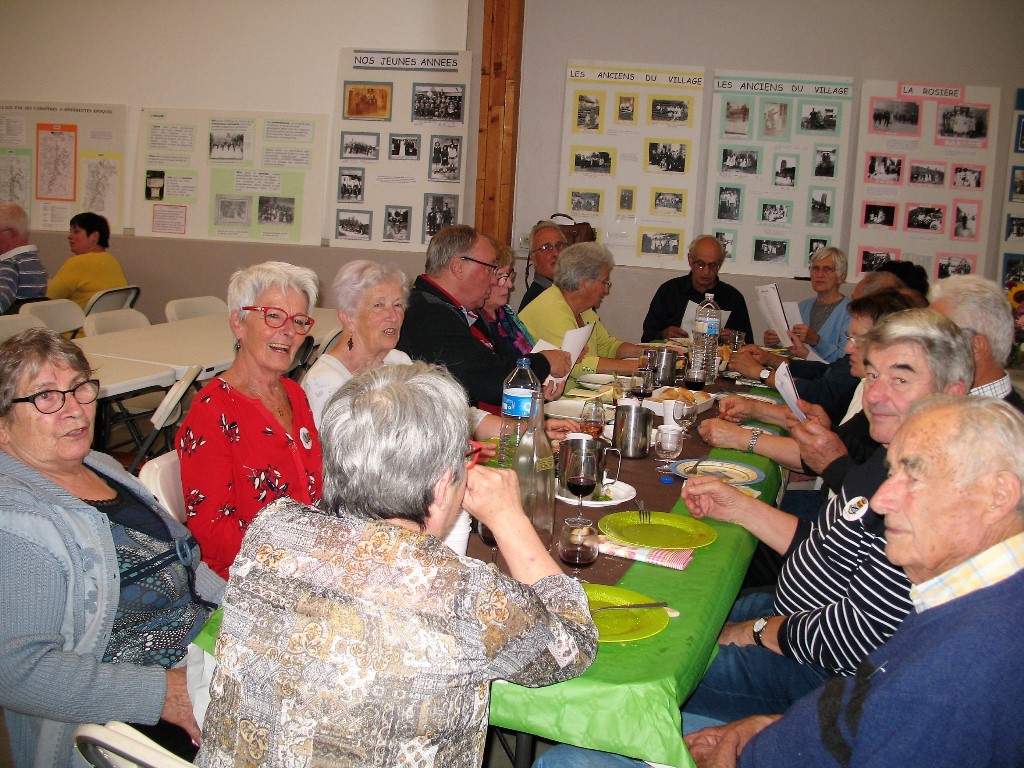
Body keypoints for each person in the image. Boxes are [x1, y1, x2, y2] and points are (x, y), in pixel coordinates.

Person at [534, 311, 976, 768]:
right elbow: (836, 546)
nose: (877, 394)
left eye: (900, 380)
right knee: (650, 597)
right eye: (875, 375)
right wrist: (741, 508)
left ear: (952, 393)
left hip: (815, 668)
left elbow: (857, 635)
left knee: (633, 652)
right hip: (802, 622)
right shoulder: (892, 454)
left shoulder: (930, 493)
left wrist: (758, 632)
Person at [196, 363, 597, 767]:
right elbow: (572, 649)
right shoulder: (466, 593)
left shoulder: (271, 528)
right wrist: (510, 518)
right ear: (443, 484)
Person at [682, 396, 1024, 768]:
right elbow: (869, 708)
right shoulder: (964, 594)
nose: (881, 501)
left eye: (915, 476)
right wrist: (768, 727)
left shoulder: (970, 660)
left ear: (999, 495)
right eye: (892, 473)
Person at [0, 328, 225, 768]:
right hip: (127, 712)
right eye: (46, 396)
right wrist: (166, 694)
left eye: (80, 388)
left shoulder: (99, 464)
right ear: (3, 425)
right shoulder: (16, 518)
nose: (76, 410)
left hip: (201, 657)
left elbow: (186, 562)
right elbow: (17, 671)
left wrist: (245, 611)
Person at [302, 259, 577, 446]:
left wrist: (530, 431)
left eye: (398, 306)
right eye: (378, 306)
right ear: (348, 317)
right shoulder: (325, 381)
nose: (392, 317)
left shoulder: (398, 361)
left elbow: (453, 414)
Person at [177, 261, 322, 578]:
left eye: (299, 321)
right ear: (238, 323)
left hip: (307, 560)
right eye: (273, 316)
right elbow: (212, 535)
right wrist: (302, 559)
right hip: (249, 578)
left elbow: (315, 490)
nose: (288, 331)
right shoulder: (212, 411)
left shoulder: (294, 393)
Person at [397, 225, 570, 410]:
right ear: (458, 267)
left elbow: (491, 369)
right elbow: (489, 380)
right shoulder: (429, 314)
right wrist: (544, 362)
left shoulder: (449, 308)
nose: (494, 280)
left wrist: (534, 392)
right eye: (489, 269)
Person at [519, 242, 647, 384]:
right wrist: (640, 366)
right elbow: (573, 365)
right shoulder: (551, 309)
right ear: (583, 283)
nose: (606, 290)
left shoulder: (584, 310)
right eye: (605, 282)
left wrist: (649, 353)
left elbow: (607, 346)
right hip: (550, 400)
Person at [928, 273, 1024, 413]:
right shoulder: (937, 405)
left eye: (934, 338)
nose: (922, 346)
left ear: (975, 347)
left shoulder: (1015, 428)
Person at [641, 235, 753, 343]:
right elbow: (647, 337)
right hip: (675, 358)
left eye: (713, 265)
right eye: (700, 264)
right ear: (690, 260)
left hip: (716, 360)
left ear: (720, 264)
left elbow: (749, 344)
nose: (706, 271)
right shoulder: (669, 291)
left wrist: (735, 339)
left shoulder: (733, 298)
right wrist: (663, 335)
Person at [762, 247, 850, 363]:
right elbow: (789, 351)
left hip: (827, 378)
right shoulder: (802, 306)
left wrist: (817, 341)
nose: (819, 274)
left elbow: (846, 361)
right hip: (798, 372)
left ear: (841, 277)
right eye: (815, 268)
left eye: (827, 269)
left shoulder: (850, 312)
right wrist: (774, 341)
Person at [46, 212, 128, 310]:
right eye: (70, 231)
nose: (69, 236)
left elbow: (47, 297)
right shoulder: (110, 260)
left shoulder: (78, 263)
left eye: (76, 231)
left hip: (79, 324)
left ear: (94, 237)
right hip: (107, 323)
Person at [0, 202, 47, 314]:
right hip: (26, 326)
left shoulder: (10, 265)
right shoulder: (34, 263)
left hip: (9, 328)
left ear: (12, 233)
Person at [520, 220, 569, 311]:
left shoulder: (570, 292)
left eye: (559, 245)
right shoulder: (535, 301)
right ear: (534, 258)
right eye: (546, 248)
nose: (555, 253)